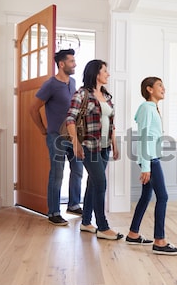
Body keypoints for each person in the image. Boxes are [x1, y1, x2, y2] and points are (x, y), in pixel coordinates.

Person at [65, 59, 122, 240]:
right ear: (96, 73)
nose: (108, 74)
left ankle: (86, 222)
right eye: (105, 71)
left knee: (93, 183)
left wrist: (114, 143)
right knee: (100, 183)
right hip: (89, 147)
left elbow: (110, 122)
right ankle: (103, 227)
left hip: (104, 147)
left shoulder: (107, 96)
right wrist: (76, 144)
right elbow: (70, 120)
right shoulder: (82, 94)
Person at [126, 76, 177, 255]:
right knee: (163, 197)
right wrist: (146, 166)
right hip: (151, 160)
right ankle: (160, 241)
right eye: (159, 85)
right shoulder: (146, 108)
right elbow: (143, 137)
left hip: (151, 158)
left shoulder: (152, 108)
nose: (163, 88)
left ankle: (133, 234)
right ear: (149, 89)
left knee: (145, 196)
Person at [30, 49, 83, 226]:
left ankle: (74, 204)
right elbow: (33, 109)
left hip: (73, 136)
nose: (74, 64)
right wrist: (42, 129)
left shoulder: (73, 82)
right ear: (61, 64)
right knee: (57, 174)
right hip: (56, 137)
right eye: (71, 61)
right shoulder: (50, 85)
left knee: (77, 170)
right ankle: (53, 212)